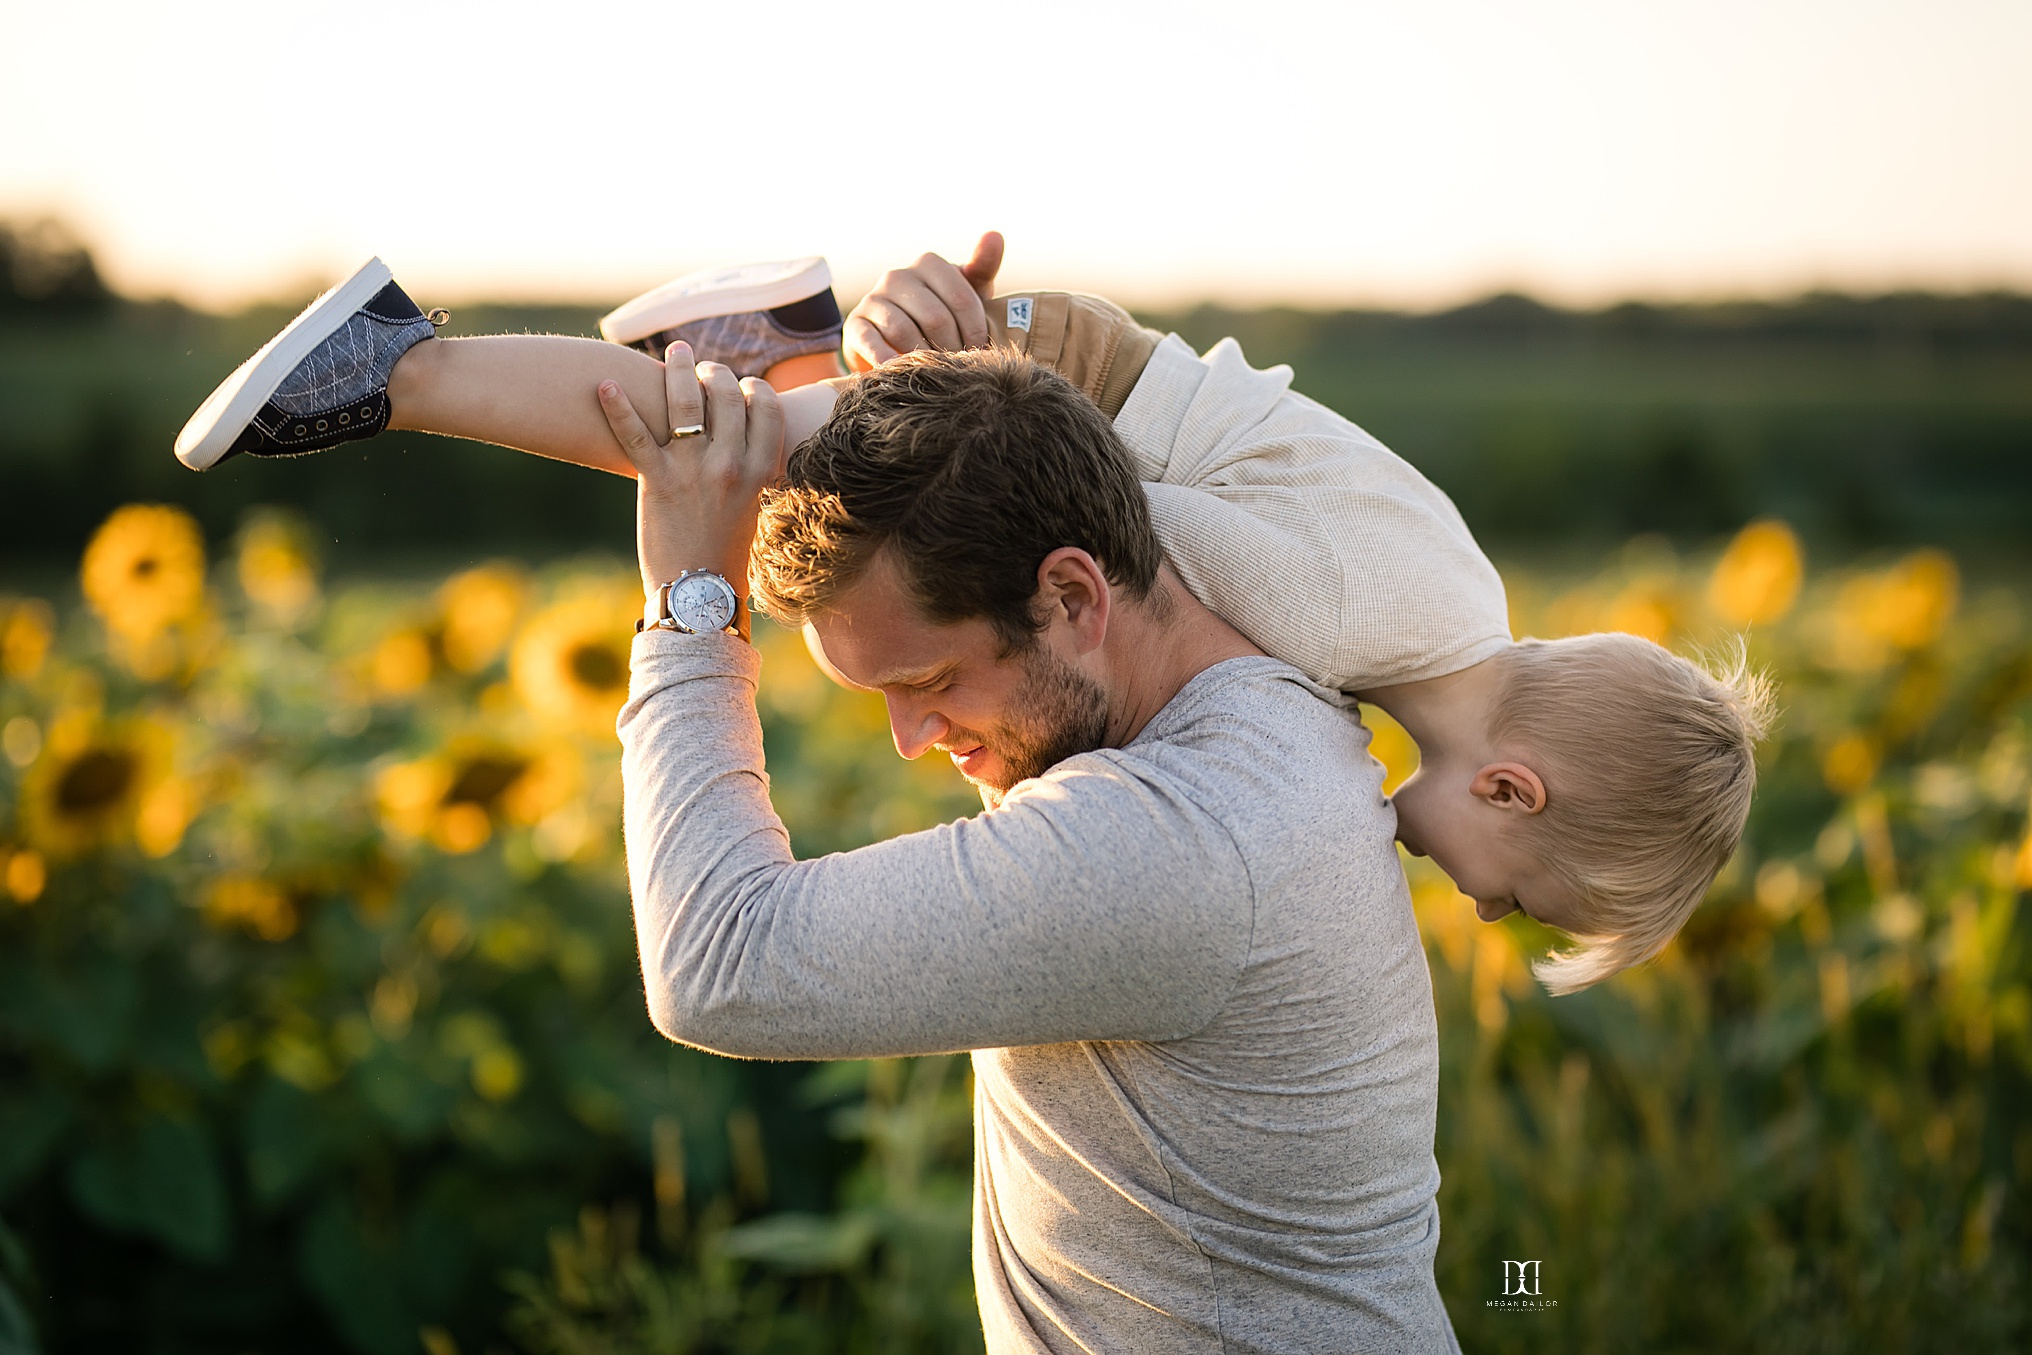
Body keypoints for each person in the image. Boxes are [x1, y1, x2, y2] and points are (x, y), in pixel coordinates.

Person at [172, 238, 1769, 993]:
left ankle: (763, 339)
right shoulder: (1378, 624)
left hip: (1075, 379)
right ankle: (397, 366)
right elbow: (1126, 531)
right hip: (1062, 383)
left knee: (765, 437)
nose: (1479, 910)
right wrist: (916, 390)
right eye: (1516, 900)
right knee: (716, 455)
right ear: (1512, 790)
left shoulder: (1428, 622)